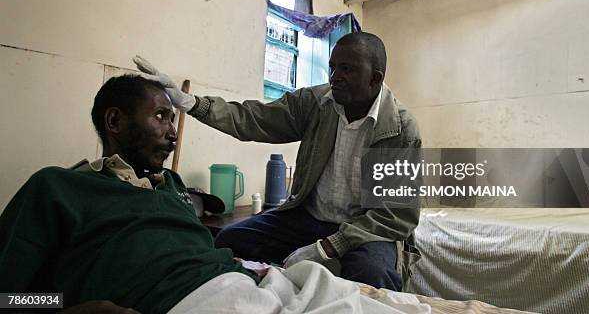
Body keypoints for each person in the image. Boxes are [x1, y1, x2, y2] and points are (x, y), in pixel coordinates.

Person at [134, 31, 422, 291]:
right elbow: (254, 117)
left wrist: (328, 247)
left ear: (375, 78)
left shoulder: (399, 129)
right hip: (307, 217)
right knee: (230, 241)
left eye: (347, 69)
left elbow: (395, 216)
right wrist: (191, 103)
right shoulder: (316, 103)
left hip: (363, 230)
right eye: (333, 67)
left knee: (374, 275)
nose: (335, 76)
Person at [0, 75, 259, 313]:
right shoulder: (58, 187)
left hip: (249, 286)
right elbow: (8, 298)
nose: (173, 134)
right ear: (115, 121)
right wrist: (72, 308)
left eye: (172, 120)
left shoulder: (173, 184)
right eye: (161, 116)